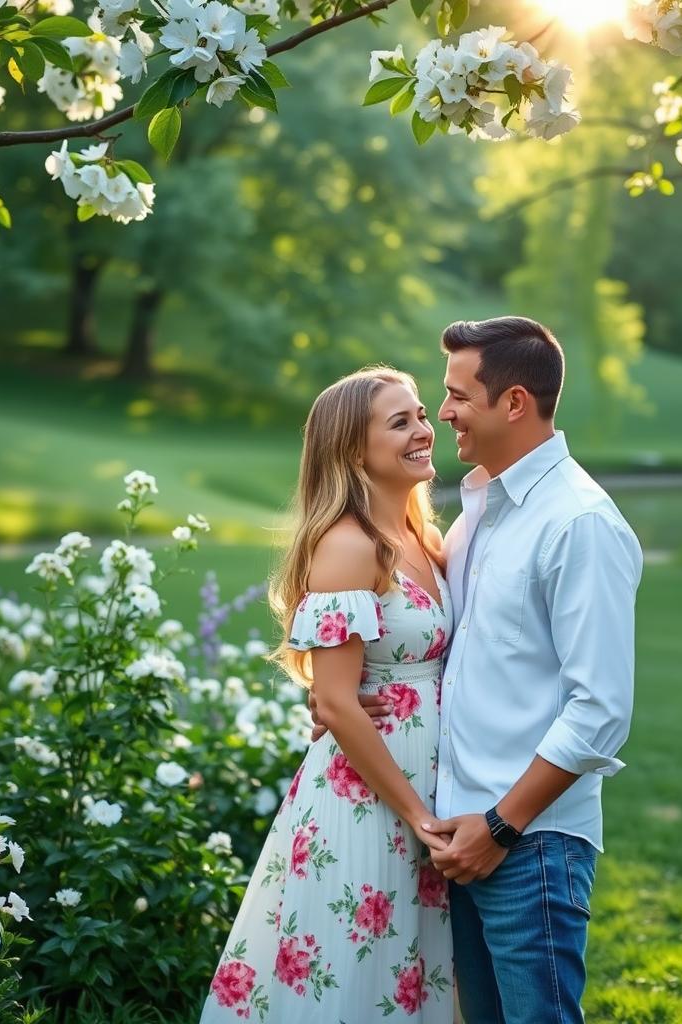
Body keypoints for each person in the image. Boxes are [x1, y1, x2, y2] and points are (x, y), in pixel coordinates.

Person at [319, 316, 643, 1023]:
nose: (443, 413)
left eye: (459, 396)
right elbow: (435, 651)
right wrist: (346, 696)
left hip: (528, 843)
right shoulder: (473, 518)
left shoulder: (579, 522)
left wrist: (500, 826)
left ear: (515, 403)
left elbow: (601, 712)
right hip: (458, 838)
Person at [199, 367, 456, 1023]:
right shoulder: (349, 545)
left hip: (422, 782)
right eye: (400, 422)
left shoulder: (420, 537)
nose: (424, 429)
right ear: (351, 450)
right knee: (360, 971)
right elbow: (338, 703)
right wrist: (417, 817)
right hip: (373, 799)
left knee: (415, 969)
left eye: (421, 413)